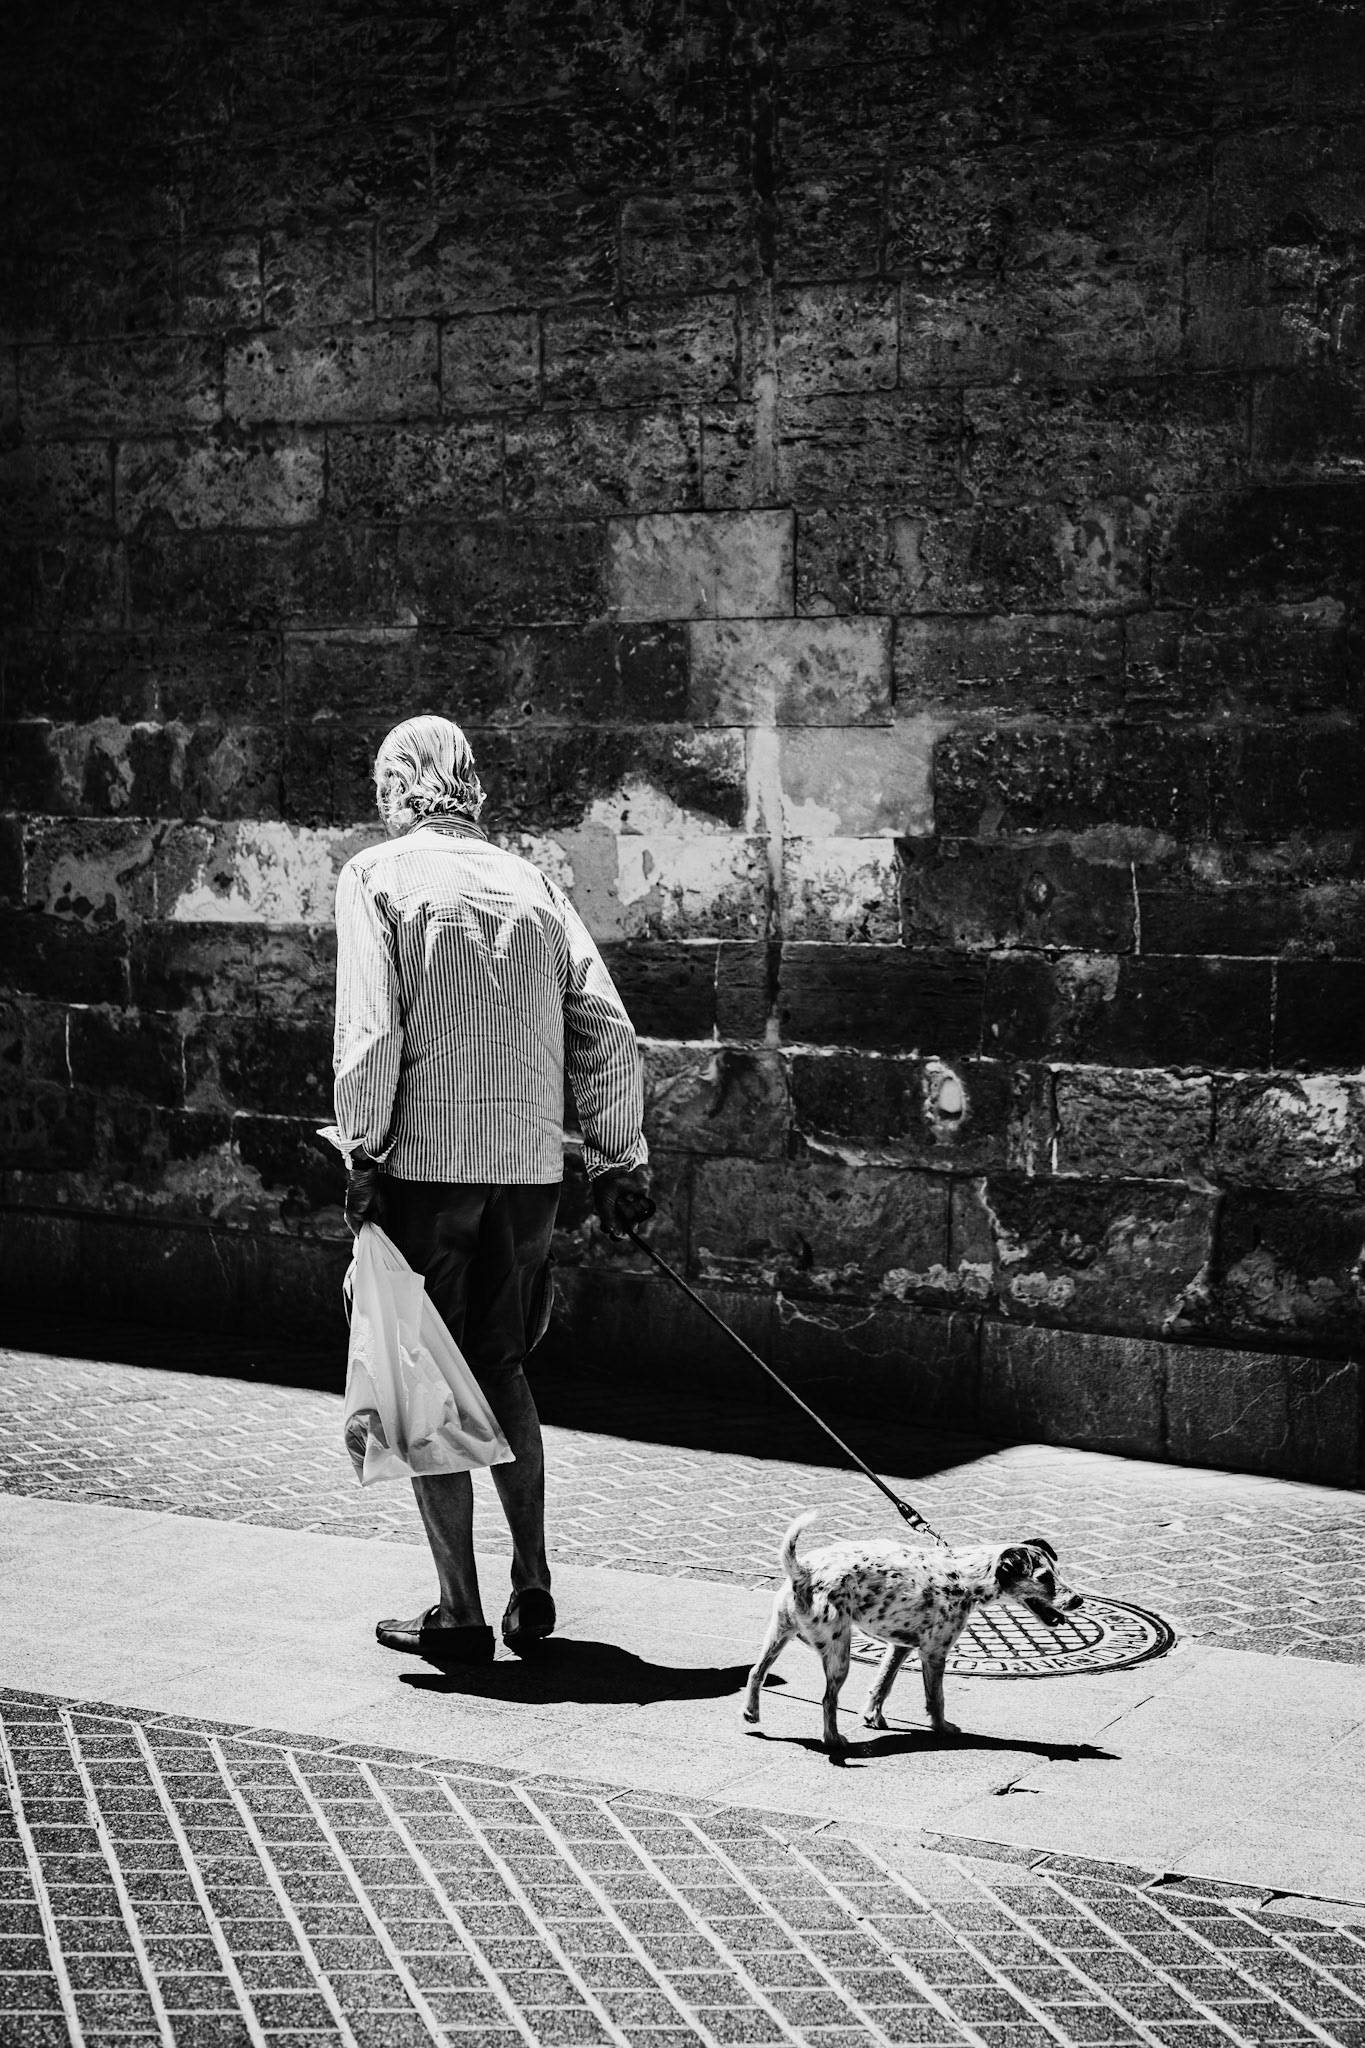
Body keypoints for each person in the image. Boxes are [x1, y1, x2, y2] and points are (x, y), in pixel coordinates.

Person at [331, 714, 655, 1664]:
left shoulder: (376, 877)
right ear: (469, 783)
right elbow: (605, 1026)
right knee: (503, 1365)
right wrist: (614, 1158)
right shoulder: (533, 882)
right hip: (526, 1171)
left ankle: (460, 1611)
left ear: (396, 789)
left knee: (422, 1381)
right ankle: (533, 1579)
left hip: (425, 1168)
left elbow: (373, 1036)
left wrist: (361, 1150)